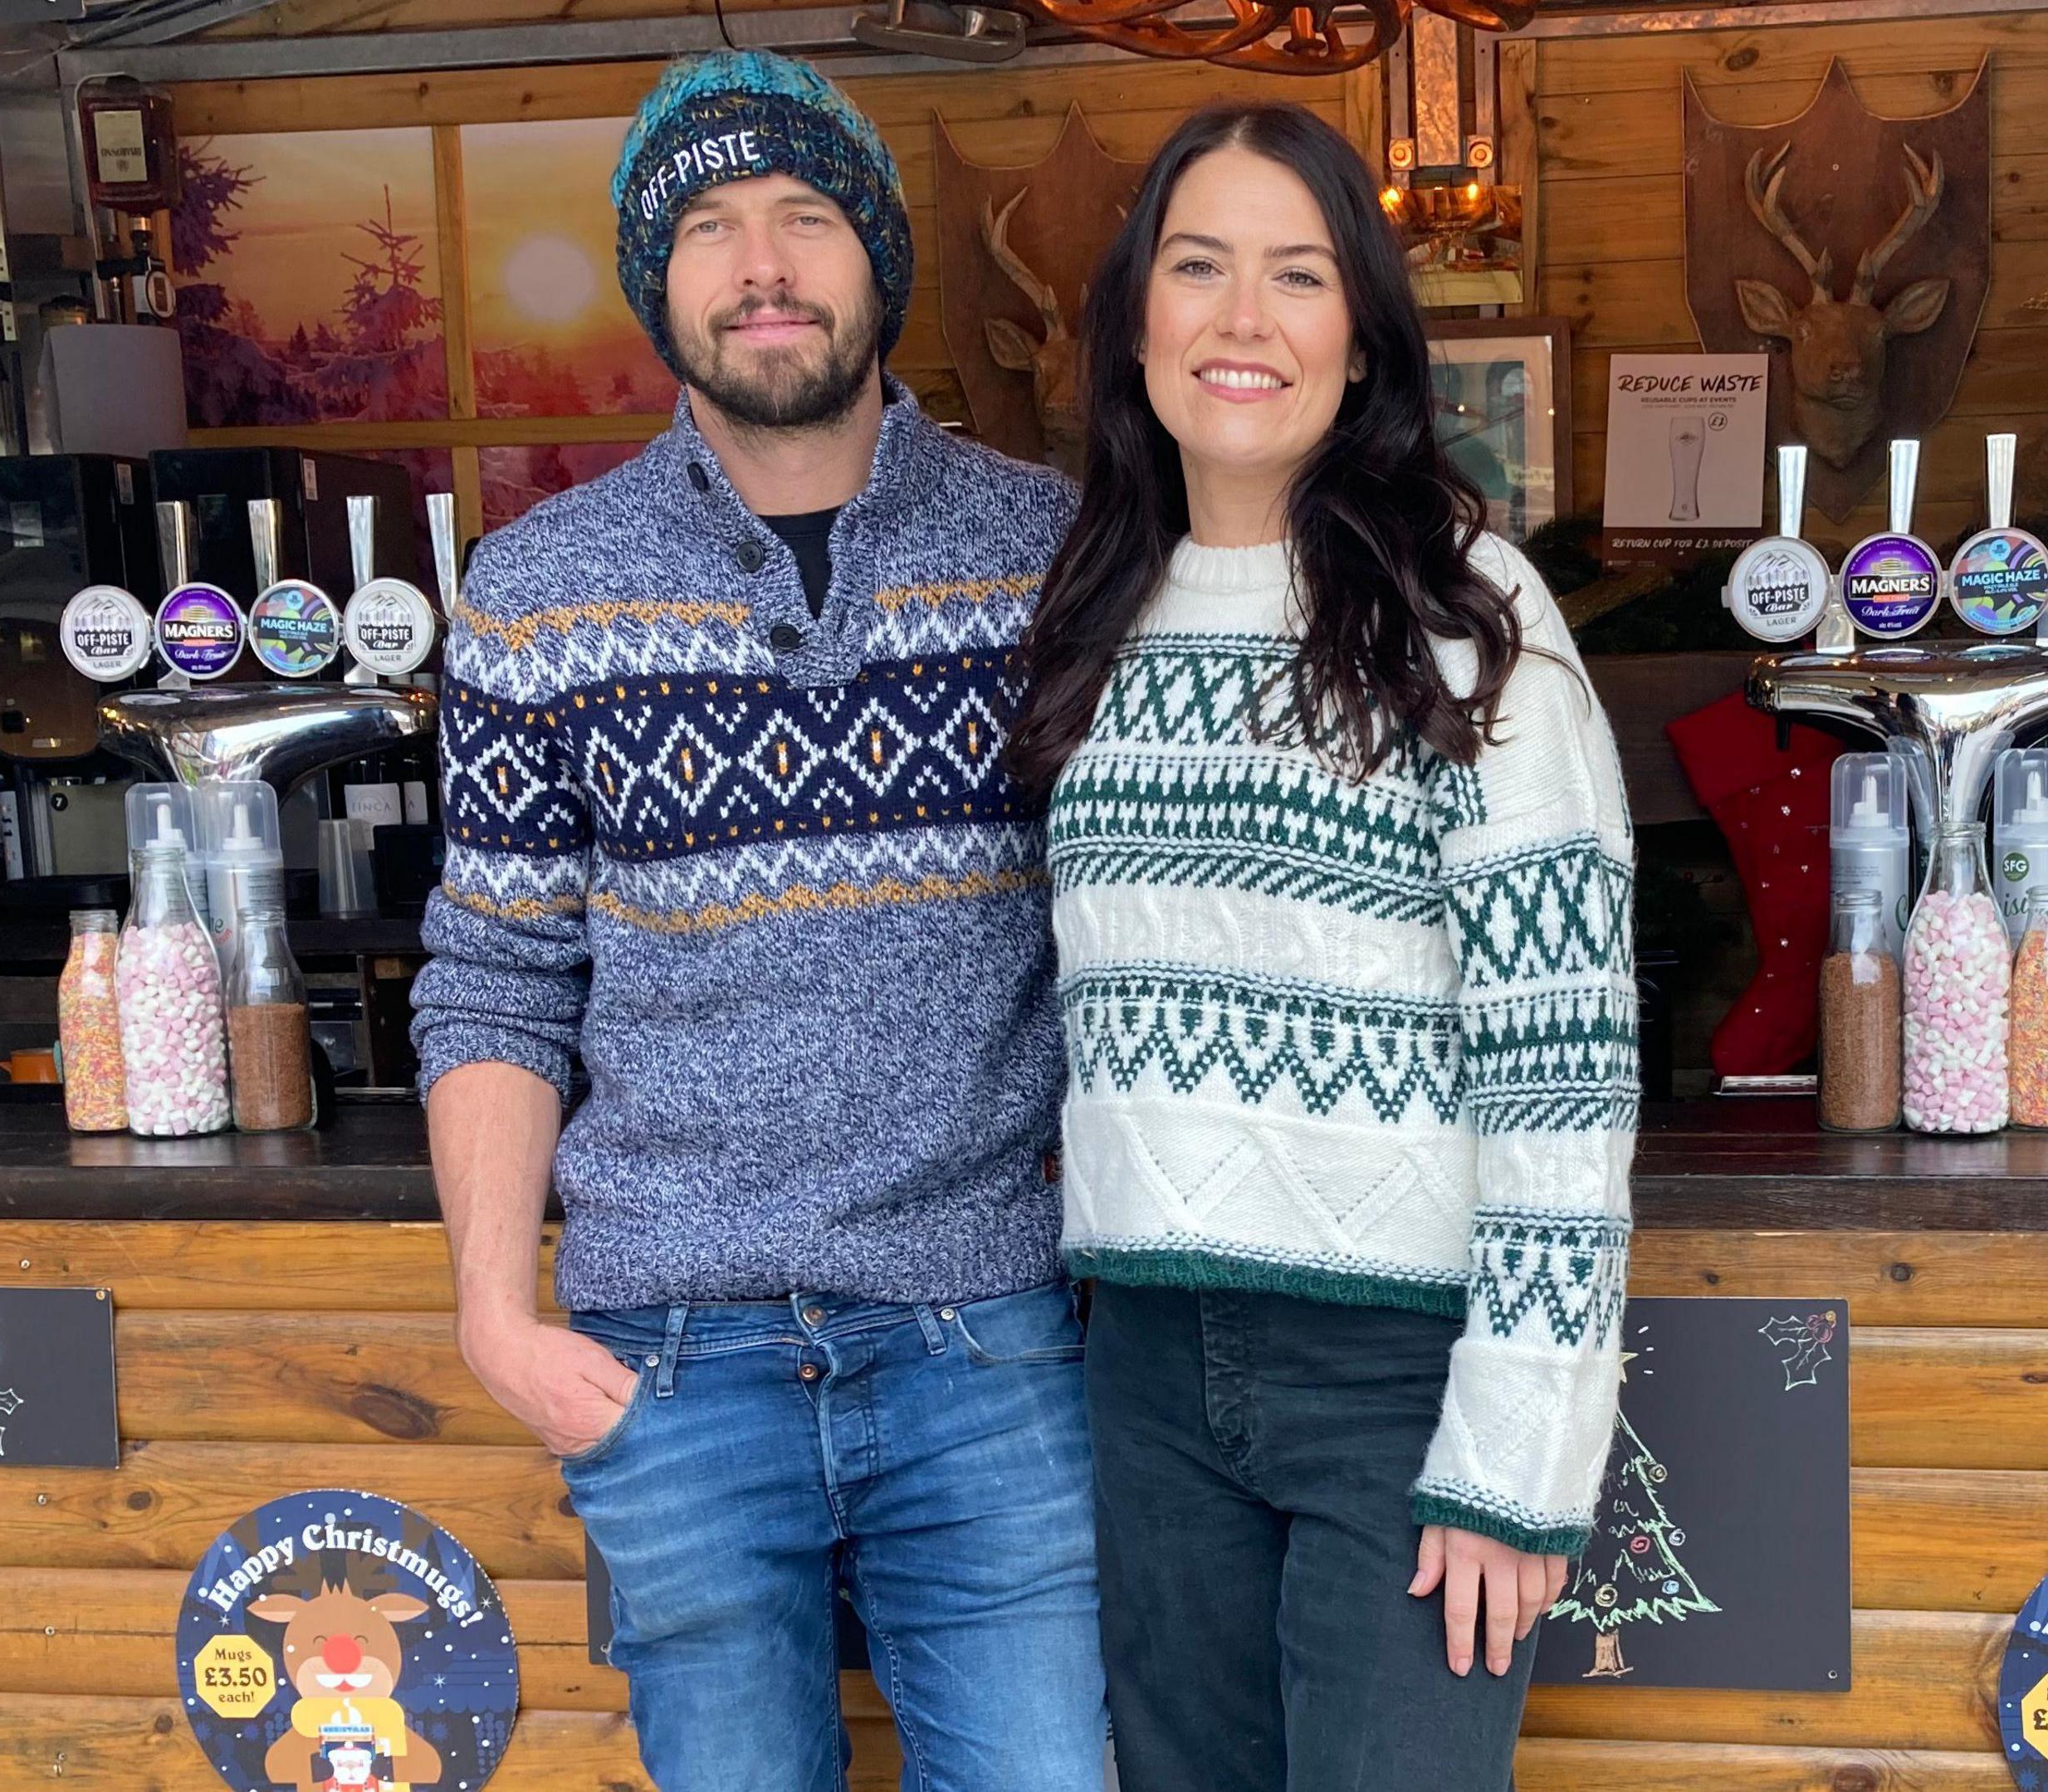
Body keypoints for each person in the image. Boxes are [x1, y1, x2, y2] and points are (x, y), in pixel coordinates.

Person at [408, 49, 1102, 1792]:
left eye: (806, 216)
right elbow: (497, 976)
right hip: (671, 1362)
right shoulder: (538, 588)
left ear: (878, 261)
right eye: (709, 228)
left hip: (990, 1343)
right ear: (662, 286)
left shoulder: (1057, 552)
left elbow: (1136, 925)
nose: (763, 263)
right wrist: (500, 1319)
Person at [1006, 101, 1637, 1790]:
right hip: (1142, 1362)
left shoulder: (1472, 618)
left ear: (1359, 340)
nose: (1241, 318)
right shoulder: (1090, 612)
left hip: (1397, 1385)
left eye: (1296, 275)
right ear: (1137, 319)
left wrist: (1517, 1456)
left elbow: (1564, 1063)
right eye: (1197, 267)